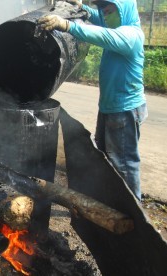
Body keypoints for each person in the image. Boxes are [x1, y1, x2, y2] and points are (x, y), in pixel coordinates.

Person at [38, 0, 147, 201]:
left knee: (123, 163)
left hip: (124, 110)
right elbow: (97, 18)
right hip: (110, 107)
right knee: (105, 156)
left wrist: (67, 25)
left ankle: (134, 211)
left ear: (124, 10)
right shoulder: (115, 24)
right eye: (103, 7)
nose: (105, 12)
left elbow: (101, 35)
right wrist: (82, 7)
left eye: (110, 8)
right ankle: (112, 201)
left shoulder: (130, 35)